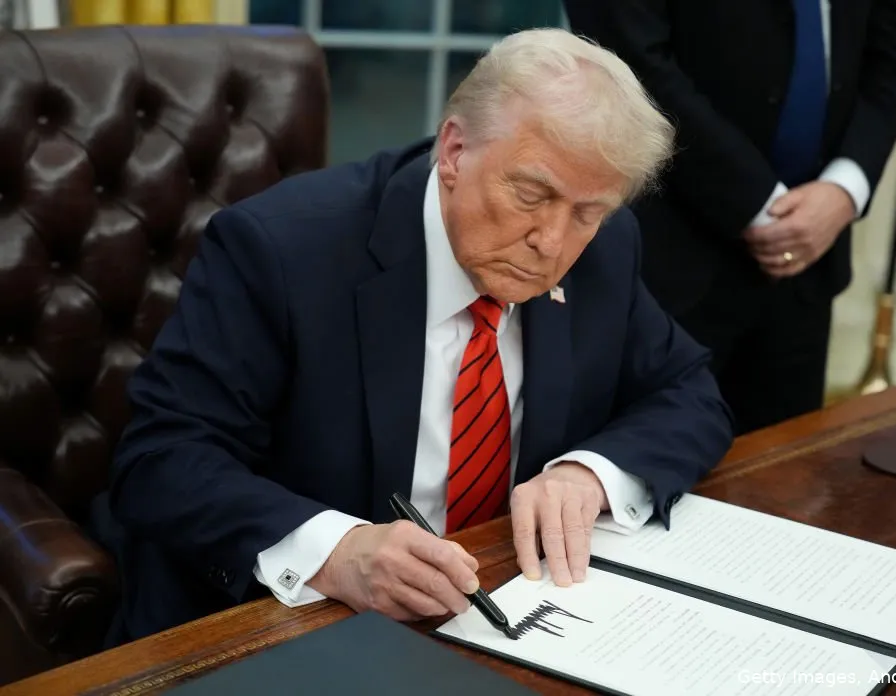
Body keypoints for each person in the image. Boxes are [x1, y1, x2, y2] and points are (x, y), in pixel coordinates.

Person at [99, 27, 734, 644]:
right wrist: (337, 550)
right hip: (288, 625)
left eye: (588, 213)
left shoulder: (605, 249)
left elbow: (689, 392)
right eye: (532, 195)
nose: (553, 243)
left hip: (512, 609)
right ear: (454, 152)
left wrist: (589, 475)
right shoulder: (280, 251)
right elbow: (162, 459)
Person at [563, 0, 896, 434]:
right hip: (667, 255)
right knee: (646, 466)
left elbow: (892, 54)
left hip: (808, 261)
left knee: (782, 483)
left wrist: (845, 189)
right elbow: (630, 62)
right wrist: (759, 204)